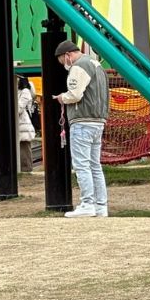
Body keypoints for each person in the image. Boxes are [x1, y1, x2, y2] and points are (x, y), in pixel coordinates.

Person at [53, 40, 110, 218]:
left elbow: (75, 94)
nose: (65, 65)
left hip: (82, 121)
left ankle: (87, 203)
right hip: (98, 121)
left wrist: (63, 97)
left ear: (67, 55)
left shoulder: (79, 66)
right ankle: (101, 206)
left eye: (63, 61)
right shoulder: (97, 66)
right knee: (95, 165)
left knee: (81, 165)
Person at [17, 76, 37, 173]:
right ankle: (23, 169)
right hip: (20, 123)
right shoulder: (21, 91)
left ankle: (26, 169)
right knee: (22, 147)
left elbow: (19, 107)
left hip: (23, 123)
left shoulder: (25, 91)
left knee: (24, 147)